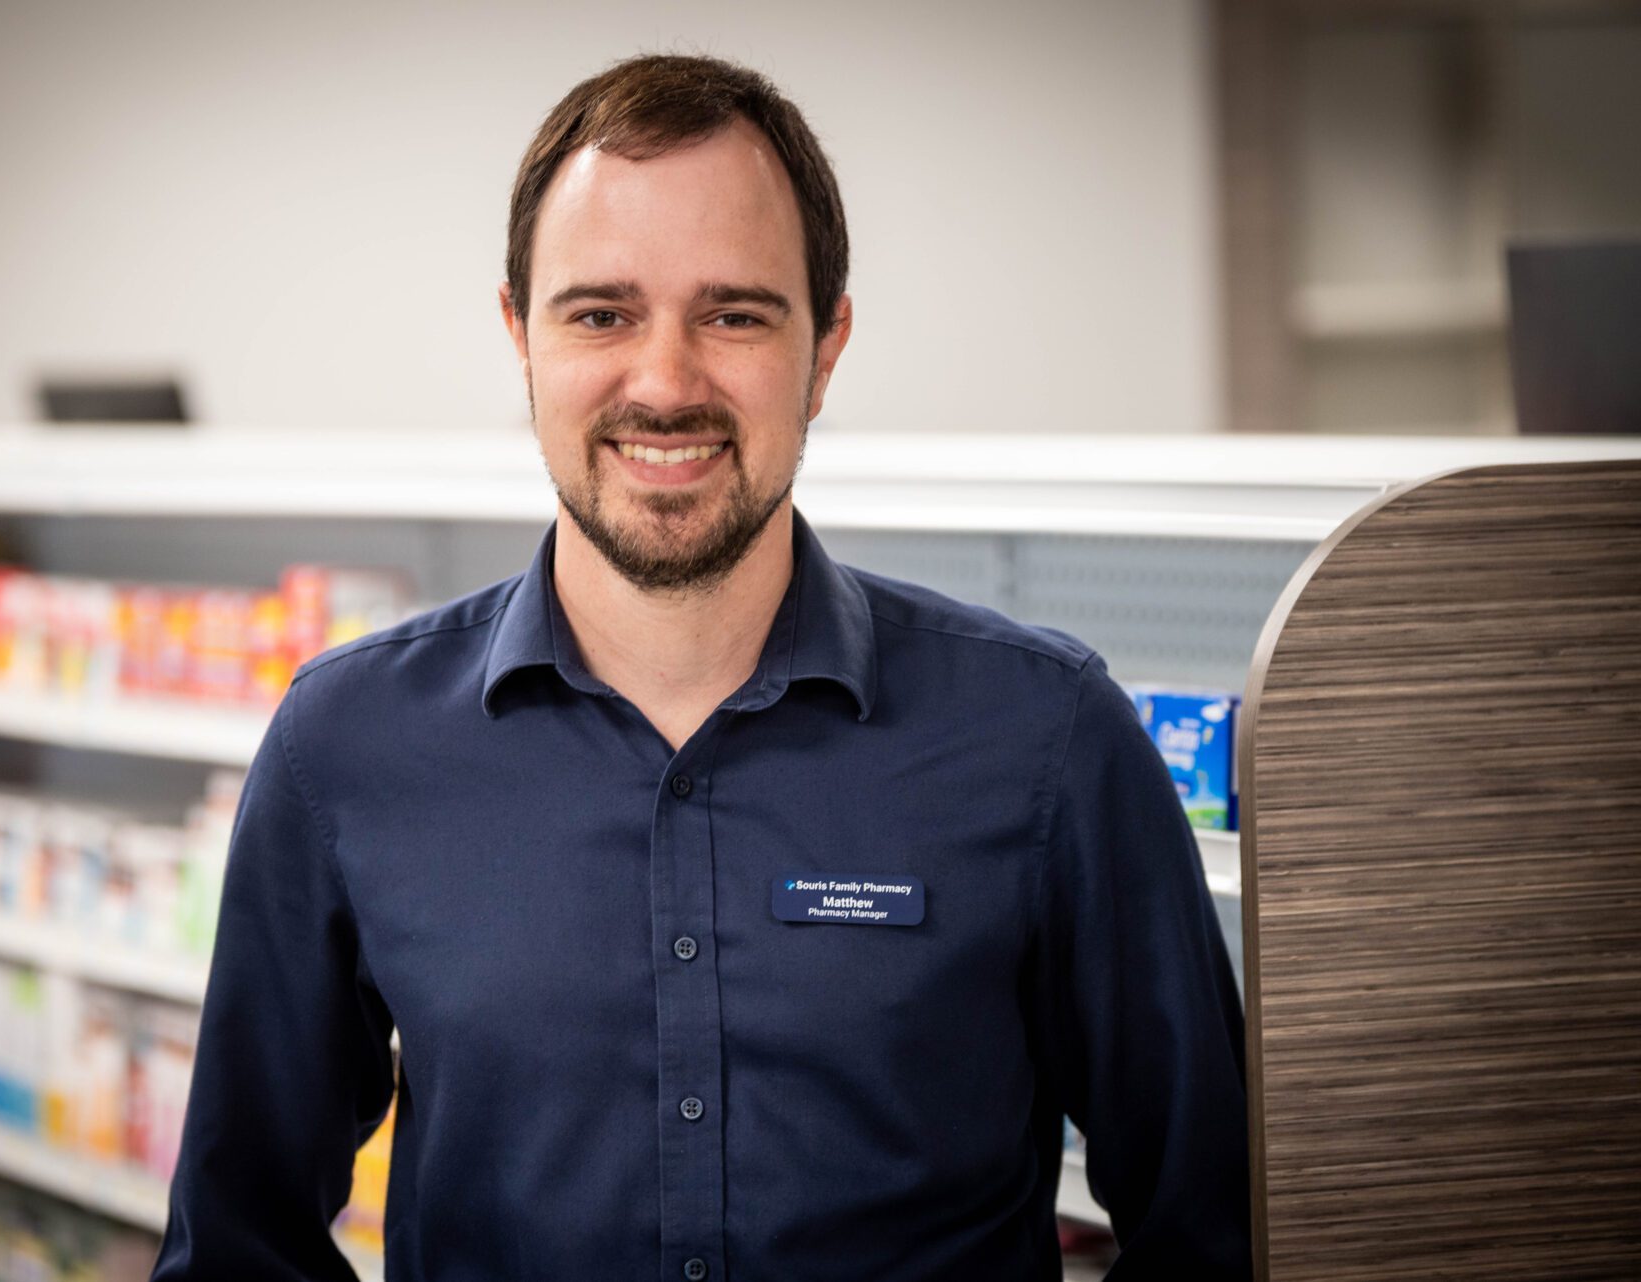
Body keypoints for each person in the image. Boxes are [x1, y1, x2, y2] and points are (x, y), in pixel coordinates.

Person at [151, 53, 1249, 1281]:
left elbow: (1211, 1226)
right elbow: (237, 1248)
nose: (665, 384)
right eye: (600, 314)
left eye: (734, 314)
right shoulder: (345, 747)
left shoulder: (1047, 738)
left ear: (824, 349)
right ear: (521, 337)